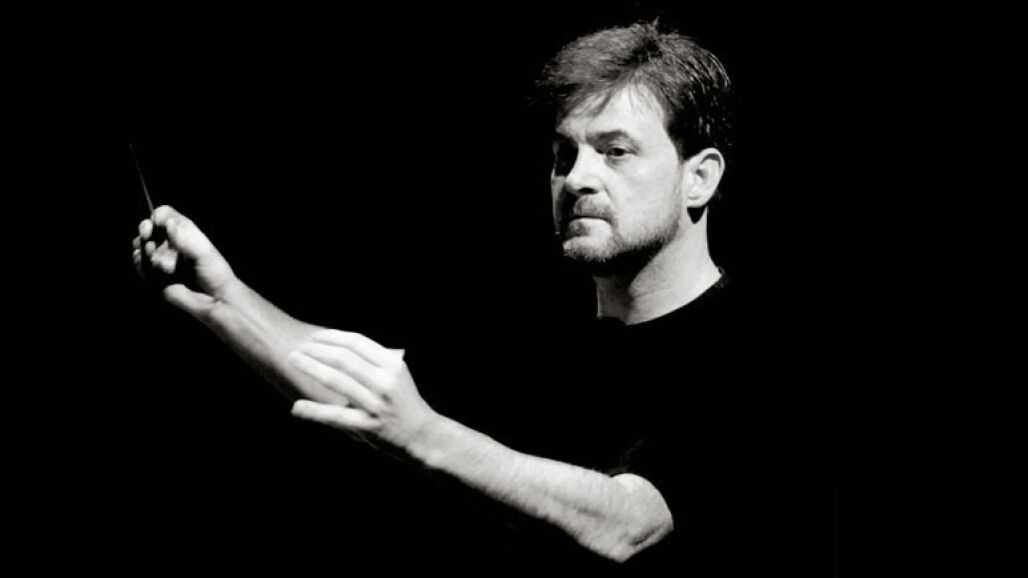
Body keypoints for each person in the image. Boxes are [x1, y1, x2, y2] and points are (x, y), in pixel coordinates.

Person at [131, 22, 810, 571]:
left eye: (615, 151)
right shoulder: (536, 344)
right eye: (563, 156)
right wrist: (223, 296)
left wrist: (422, 433)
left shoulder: (763, 350)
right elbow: (366, 395)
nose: (577, 178)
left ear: (700, 179)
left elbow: (628, 525)